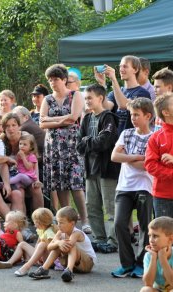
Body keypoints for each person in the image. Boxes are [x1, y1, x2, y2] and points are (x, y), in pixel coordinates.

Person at [40, 64, 90, 233]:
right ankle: (67, 221)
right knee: (60, 185)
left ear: (64, 79)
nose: (53, 82)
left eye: (56, 79)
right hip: (54, 147)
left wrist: (53, 121)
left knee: (76, 185)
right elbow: (41, 123)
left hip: (72, 146)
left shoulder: (75, 95)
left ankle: (84, 220)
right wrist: (63, 120)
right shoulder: (47, 99)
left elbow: (74, 118)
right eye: (50, 80)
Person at [111, 98, 155, 278]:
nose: (133, 118)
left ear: (148, 116)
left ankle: (141, 263)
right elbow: (115, 156)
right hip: (124, 187)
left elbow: (147, 165)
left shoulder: (154, 137)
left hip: (145, 186)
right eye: (132, 114)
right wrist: (136, 157)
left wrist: (127, 157)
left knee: (145, 226)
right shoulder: (126, 133)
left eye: (137, 115)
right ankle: (127, 264)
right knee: (119, 223)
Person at [76, 84, 120, 253]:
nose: (86, 101)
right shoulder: (86, 119)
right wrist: (88, 141)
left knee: (110, 207)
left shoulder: (109, 118)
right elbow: (79, 146)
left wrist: (87, 141)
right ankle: (99, 238)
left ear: (100, 98)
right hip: (90, 169)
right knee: (92, 205)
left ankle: (112, 240)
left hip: (107, 169)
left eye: (89, 98)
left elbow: (104, 142)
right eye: (85, 98)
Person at [29, 206, 97, 282]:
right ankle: (44, 269)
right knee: (58, 245)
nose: (58, 225)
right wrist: (58, 242)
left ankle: (69, 270)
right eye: (57, 222)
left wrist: (59, 243)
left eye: (61, 223)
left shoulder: (76, 233)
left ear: (72, 223)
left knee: (70, 245)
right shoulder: (60, 232)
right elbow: (49, 247)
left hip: (87, 263)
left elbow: (68, 247)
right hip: (72, 262)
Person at [0, 208, 57, 276]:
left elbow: (51, 249)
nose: (34, 224)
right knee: (22, 244)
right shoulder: (41, 230)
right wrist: (35, 254)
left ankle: (27, 265)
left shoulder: (49, 233)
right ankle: (9, 262)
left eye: (35, 222)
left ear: (40, 223)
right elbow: (37, 244)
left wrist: (39, 255)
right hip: (40, 257)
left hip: (48, 259)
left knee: (42, 244)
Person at [94, 55, 151, 134]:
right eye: (120, 66)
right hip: (116, 139)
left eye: (125, 66)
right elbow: (105, 107)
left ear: (135, 69)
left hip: (132, 139)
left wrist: (113, 79)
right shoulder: (115, 92)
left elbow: (123, 105)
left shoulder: (142, 93)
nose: (121, 69)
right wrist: (102, 84)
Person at [145, 93, 173, 218]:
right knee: (164, 234)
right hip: (163, 195)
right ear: (166, 112)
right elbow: (150, 165)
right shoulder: (156, 137)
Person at [141, 216, 173, 292]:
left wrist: (163, 259)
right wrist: (153, 258)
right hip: (158, 290)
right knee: (145, 290)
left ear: (170, 239)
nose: (151, 240)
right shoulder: (149, 256)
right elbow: (148, 283)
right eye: (149, 235)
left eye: (155, 236)